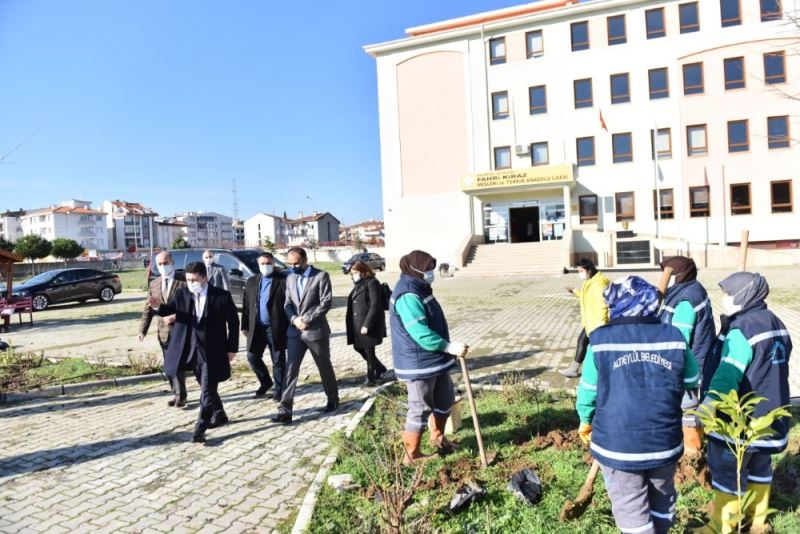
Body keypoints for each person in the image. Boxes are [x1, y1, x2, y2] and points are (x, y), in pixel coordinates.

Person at [576, 276, 699, 534]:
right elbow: (691, 379)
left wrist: (586, 421)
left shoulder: (599, 340)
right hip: (664, 442)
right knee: (662, 497)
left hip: (618, 447)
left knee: (630, 506)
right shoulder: (674, 336)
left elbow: (588, 392)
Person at [697, 272, 792, 534]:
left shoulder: (742, 330)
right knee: (761, 467)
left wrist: (708, 405)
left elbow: (728, 374)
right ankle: (758, 521)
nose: (724, 299)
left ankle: (722, 526)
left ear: (743, 295)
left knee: (728, 473)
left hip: (738, 421)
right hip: (769, 417)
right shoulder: (776, 322)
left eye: (728, 294)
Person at [148, 261, 240, 443]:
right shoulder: (182, 294)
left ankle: (199, 429)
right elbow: (170, 310)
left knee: (206, 392)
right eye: (188, 280)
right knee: (206, 385)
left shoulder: (221, 296)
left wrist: (231, 348)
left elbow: (234, 323)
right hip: (190, 350)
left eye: (194, 280)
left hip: (213, 351)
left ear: (205, 278)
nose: (191, 283)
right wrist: (158, 306)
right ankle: (219, 413)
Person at [391, 250, 467, 464]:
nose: (431, 272)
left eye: (432, 267)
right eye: (427, 269)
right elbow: (420, 332)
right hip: (418, 363)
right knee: (420, 408)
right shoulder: (407, 293)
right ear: (414, 269)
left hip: (435, 360)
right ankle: (411, 454)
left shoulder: (419, 286)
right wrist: (449, 346)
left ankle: (438, 438)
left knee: (444, 399)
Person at [270, 247, 339, 424]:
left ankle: (333, 399)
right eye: (290, 264)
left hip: (315, 331)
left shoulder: (321, 276)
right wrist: (294, 320)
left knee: (324, 367)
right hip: (295, 332)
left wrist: (307, 320)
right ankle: (285, 409)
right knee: (290, 371)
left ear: (305, 260)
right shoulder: (290, 277)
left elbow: (326, 302)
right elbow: (287, 304)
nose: (293, 267)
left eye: (297, 263)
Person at [657, 256, 716, 453]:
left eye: (668, 273)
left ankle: (691, 450)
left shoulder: (686, 300)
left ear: (679, 276)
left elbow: (680, 338)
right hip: (690, 358)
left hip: (687, 363)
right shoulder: (688, 289)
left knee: (687, 403)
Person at [138, 251, 188, 406]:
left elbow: (192, 306)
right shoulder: (154, 283)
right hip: (164, 332)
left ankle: (181, 395)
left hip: (182, 329)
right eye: (159, 264)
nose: (162, 266)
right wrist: (142, 330)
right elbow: (149, 308)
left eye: (165, 263)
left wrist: (176, 316)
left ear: (172, 262)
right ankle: (177, 393)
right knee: (169, 366)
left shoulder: (184, 280)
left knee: (179, 364)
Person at [241, 252, 288, 401]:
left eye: (268, 263)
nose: (266, 266)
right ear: (258, 264)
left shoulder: (283, 280)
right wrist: (245, 325)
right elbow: (246, 305)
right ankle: (265, 382)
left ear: (273, 264)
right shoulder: (252, 281)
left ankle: (279, 389)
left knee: (278, 360)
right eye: (263, 264)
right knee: (252, 356)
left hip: (276, 327)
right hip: (256, 328)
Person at [559, 258, 610, 378]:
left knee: (592, 346)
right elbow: (587, 296)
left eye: (580, 271)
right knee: (582, 341)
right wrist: (575, 291)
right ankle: (573, 369)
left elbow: (603, 305)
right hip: (591, 322)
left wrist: (601, 326)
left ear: (589, 270)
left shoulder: (598, 283)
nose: (579, 274)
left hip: (597, 323)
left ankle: (601, 372)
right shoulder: (591, 280)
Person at [345, 260, 387, 386]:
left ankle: (371, 378)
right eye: (352, 273)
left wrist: (367, 325)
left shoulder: (372, 283)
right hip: (357, 324)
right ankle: (380, 368)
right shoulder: (358, 284)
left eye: (356, 272)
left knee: (369, 351)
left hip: (368, 324)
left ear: (364, 271)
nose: (353, 275)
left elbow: (375, 305)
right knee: (358, 347)